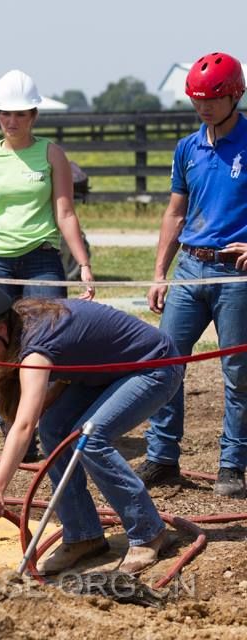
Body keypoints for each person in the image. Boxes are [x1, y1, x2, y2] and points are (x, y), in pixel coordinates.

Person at [0, 281, 181, 575]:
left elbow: (25, 424)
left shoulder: (35, 350)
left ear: (1, 330)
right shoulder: (21, 323)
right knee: (54, 428)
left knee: (90, 437)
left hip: (154, 366)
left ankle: (149, 533)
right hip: (107, 373)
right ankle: (83, 536)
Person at [137, 52, 247, 499]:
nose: (204, 108)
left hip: (235, 276)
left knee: (237, 372)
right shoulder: (187, 147)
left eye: (214, 100)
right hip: (190, 268)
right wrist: (160, 271)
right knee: (165, 362)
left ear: (235, 94)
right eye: (198, 100)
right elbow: (175, 212)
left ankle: (233, 464)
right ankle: (162, 456)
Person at [0, 69, 94, 304]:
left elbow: (66, 213)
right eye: (6, 114)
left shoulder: (52, 155)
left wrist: (84, 265)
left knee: (46, 333)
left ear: (33, 115)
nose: (12, 122)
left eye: (20, 114)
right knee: (0, 336)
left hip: (42, 260)